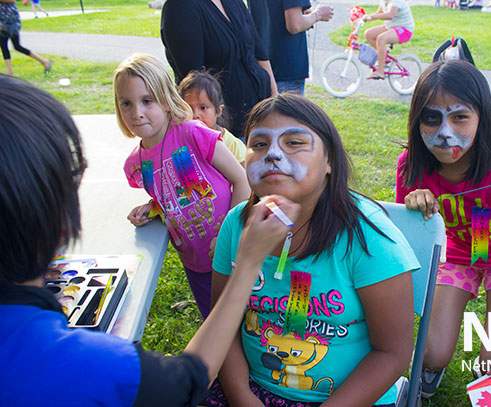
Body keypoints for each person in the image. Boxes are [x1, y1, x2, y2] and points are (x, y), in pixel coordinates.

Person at [0, 73, 300, 407]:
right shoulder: (94, 366)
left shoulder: (192, 135)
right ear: (58, 225)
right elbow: (186, 383)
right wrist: (247, 263)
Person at [205, 93, 419, 407]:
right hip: (250, 388)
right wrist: (242, 397)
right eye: (259, 144)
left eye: (294, 142)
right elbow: (221, 324)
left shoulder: (371, 240)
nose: (274, 154)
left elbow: (392, 353)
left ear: (330, 160)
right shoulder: (237, 226)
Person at [396, 61, 491, 405]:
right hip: (457, 255)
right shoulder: (412, 165)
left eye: (459, 117)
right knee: (432, 353)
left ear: (483, 116)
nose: (445, 132)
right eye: (431, 118)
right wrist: (412, 210)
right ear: (416, 120)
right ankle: (431, 370)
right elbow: (405, 251)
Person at [114, 53, 251, 319]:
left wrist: (227, 236)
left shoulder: (193, 133)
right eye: (126, 103)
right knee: (213, 319)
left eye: (147, 101)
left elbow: (241, 180)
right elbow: (169, 194)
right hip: (195, 263)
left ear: (166, 100)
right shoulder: (136, 164)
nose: (136, 113)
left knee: (246, 321)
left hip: (232, 252)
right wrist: (150, 208)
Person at [161, 0, 278, 139]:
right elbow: (194, 81)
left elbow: (259, 50)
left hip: (260, 115)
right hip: (225, 131)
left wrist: (274, 96)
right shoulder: (180, 7)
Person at [178, 69, 246, 165]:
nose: (195, 115)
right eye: (188, 108)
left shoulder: (232, 145)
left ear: (219, 111)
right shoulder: (179, 143)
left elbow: (245, 178)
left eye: (203, 108)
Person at [265, 0, 333, 94]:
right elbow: (295, 25)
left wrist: (302, 16)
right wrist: (318, 15)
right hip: (287, 70)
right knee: (287, 108)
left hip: (262, 65)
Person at [362, 0, 415, 80]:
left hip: (404, 30)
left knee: (381, 39)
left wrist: (373, 16)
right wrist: (365, 18)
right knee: (369, 34)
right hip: (391, 27)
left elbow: (390, 15)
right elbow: (379, 13)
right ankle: (385, 58)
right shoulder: (384, 1)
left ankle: (380, 71)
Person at [0, 0, 51, 75]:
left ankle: (44, 61)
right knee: (4, 46)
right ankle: (10, 72)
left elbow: (13, 1)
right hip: (3, 20)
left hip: (10, 19)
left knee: (17, 46)